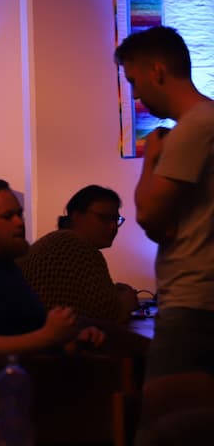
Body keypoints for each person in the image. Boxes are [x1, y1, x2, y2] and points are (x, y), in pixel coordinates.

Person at [114, 26, 214, 424]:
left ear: (157, 71)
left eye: (134, 81)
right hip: (201, 300)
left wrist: (150, 158)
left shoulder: (193, 128)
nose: (136, 95)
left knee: (162, 425)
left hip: (192, 303)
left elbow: (150, 217)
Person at [0, 179, 104, 412]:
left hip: (34, 392)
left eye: (19, 214)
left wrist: (70, 340)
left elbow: (27, 337)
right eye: (7, 217)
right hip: (4, 406)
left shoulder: (5, 266)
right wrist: (48, 336)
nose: (19, 223)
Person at [18, 185, 139, 324]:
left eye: (116, 219)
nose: (113, 226)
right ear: (76, 216)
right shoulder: (74, 244)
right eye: (104, 217)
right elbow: (108, 317)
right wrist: (127, 301)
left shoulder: (57, 242)